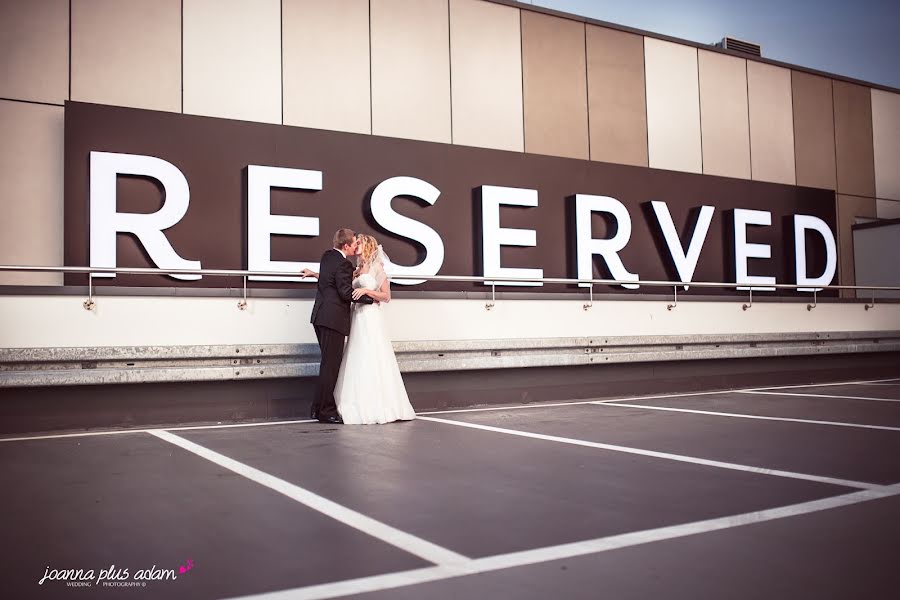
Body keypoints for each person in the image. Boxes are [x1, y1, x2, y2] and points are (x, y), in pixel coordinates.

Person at [303, 234, 416, 425]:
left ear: (368, 246)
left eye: (359, 243)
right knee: (354, 358)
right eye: (355, 243)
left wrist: (367, 292)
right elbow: (338, 281)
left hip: (370, 317)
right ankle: (344, 404)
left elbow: (386, 296)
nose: (356, 246)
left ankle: (374, 405)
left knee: (371, 357)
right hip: (355, 317)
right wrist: (314, 274)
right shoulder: (354, 269)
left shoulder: (377, 268)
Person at [304, 228, 373, 424]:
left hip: (320, 317)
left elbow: (331, 279)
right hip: (333, 320)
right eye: (353, 244)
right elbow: (345, 292)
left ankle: (318, 409)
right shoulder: (343, 262)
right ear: (346, 245)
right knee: (331, 366)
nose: (355, 247)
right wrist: (370, 299)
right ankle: (326, 411)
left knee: (327, 364)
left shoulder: (328, 257)